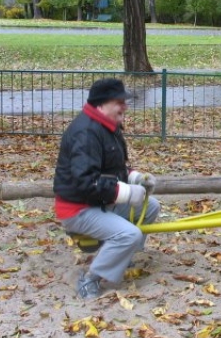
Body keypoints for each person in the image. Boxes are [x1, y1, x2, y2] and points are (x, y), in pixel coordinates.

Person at [54, 78, 161, 299]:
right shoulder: (86, 133)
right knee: (129, 234)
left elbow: (112, 168)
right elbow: (85, 182)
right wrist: (126, 192)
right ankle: (89, 280)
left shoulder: (106, 127)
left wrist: (135, 177)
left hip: (97, 202)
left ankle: (119, 255)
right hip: (78, 209)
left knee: (150, 206)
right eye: (119, 102)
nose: (125, 106)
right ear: (101, 104)